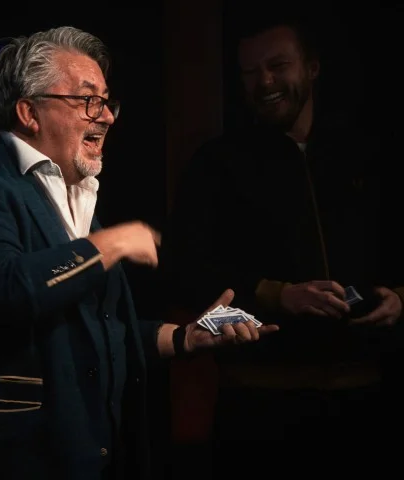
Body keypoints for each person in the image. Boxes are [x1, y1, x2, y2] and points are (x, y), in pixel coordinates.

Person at [0, 25, 278, 480]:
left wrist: (185, 338)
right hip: (22, 462)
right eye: (88, 100)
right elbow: (5, 289)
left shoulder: (77, 190)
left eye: (107, 102)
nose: (106, 116)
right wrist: (113, 243)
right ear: (29, 112)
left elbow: (97, 333)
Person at [161, 10, 404, 449]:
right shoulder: (217, 164)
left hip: (369, 396)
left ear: (312, 67)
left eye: (278, 65)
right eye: (250, 72)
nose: (265, 82)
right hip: (258, 402)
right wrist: (279, 294)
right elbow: (185, 271)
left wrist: (400, 298)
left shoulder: (366, 154)